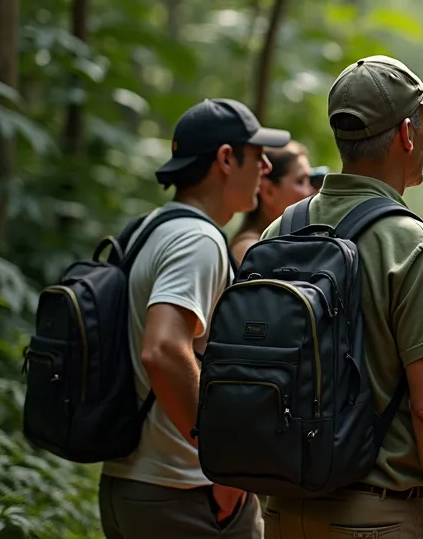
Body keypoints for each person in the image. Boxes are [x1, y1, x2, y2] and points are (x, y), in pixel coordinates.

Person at [257, 55, 423, 539]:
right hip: (376, 519)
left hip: (281, 513)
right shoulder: (413, 244)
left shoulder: (279, 230)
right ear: (405, 134)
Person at [100, 98, 291, 539]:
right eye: (257, 154)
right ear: (226, 159)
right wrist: (222, 469)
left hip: (136, 481)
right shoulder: (197, 241)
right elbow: (163, 349)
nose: (265, 167)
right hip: (183, 493)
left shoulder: (154, 227)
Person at [228, 140, 316, 263]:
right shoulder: (251, 249)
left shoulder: (272, 244)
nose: (311, 191)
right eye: (301, 181)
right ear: (268, 191)